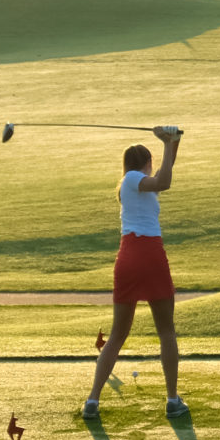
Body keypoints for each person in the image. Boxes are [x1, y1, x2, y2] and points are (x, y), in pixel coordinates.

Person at [86, 126, 185, 420]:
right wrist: (167, 143)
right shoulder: (132, 179)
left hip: (128, 257)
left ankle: (93, 400)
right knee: (165, 331)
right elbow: (164, 181)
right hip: (149, 255)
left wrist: (174, 142)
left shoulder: (132, 183)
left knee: (118, 334)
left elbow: (166, 171)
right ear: (145, 163)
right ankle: (172, 400)